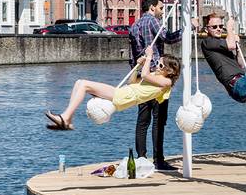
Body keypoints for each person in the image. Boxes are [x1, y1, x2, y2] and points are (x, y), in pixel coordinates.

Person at [44, 45, 181, 131]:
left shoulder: (166, 82)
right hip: (124, 92)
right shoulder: (155, 76)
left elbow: (145, 75)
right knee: (79, 83)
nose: (156, 66)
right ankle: (68, 119)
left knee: (84, 85)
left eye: (160, 65)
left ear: (170, 71)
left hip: (125, 97)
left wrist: (149, 56)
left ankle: (65, 117)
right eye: (157, 63)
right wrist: (138, 66)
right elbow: (132, 81)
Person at [129, 0, 186, 170]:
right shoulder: (152, 21)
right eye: (161, 8)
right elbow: (167, 37)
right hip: (157, 74)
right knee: (159, 120)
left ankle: (141, 158)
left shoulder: (134, 25)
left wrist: (138, 74)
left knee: (142, 120)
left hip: (142, 76)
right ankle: (158, 160)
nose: (162, 12)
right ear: (152, 8)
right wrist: (186, 29)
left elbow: (133, 57)